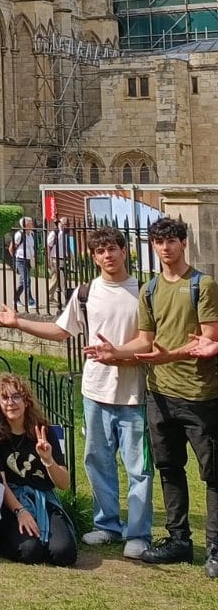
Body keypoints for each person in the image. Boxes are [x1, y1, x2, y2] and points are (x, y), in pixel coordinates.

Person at [0, 226, 151, 559]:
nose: (108, 255)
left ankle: (139, 533)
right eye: (101, 251)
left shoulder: (143, 292)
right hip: (94, 390)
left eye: (113, 249)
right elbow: (61, 331)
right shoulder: (86, 293)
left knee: (138, 467)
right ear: (93, 256)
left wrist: (117, 352)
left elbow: (151, 341)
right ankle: (107, 525)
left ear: (125, 251)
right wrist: (18, 323)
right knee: (97, 461)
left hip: (133, 393)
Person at [85, 217, 218, 576]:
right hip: (159, 393)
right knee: (169, 470)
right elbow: (145, 341)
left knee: (211, 473)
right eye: (159, 242)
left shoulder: (202, 285)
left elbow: (208, 340)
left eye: (171, 241)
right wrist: (116, 354)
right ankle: (178, 540)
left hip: (199, 394)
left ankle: (215, 549)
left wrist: (168, 356)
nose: (165, 248)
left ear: (182, 243)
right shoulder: (150, 290)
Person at [0, 373, 77, 566]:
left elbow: (64, 484)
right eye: (5, 398)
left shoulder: (44, 432)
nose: (11, 402)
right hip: (12, 501)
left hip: (43, 498)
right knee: (30, 552)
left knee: (64, 554)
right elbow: (1, 482)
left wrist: (48, 460)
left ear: (26, 401)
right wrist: (20, 511)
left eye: (16, 396)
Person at [10, 216, 37, 308]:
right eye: (31, 223)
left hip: (28, 260)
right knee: (27, 280)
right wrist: (15, 259)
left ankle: (15, 299)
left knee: (23, 282)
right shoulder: (19, 235)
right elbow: (11, 248)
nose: (32, 224)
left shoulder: (32, 234)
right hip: (20, 260)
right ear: (26, 225)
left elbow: (32, 247)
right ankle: (30, 301)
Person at [46, 217, 72, 307]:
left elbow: (66, 246)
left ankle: (50, 297)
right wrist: (49, 259)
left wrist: (70, 255)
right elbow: (48, 246)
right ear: (59, 223)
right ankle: (67, 298)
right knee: (60, 279)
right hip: (54, 258)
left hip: (63, 258)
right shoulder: (54, 233)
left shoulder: (65, 234)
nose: (64, 225)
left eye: (66, 224)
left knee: (56, 279)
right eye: (63, 223)